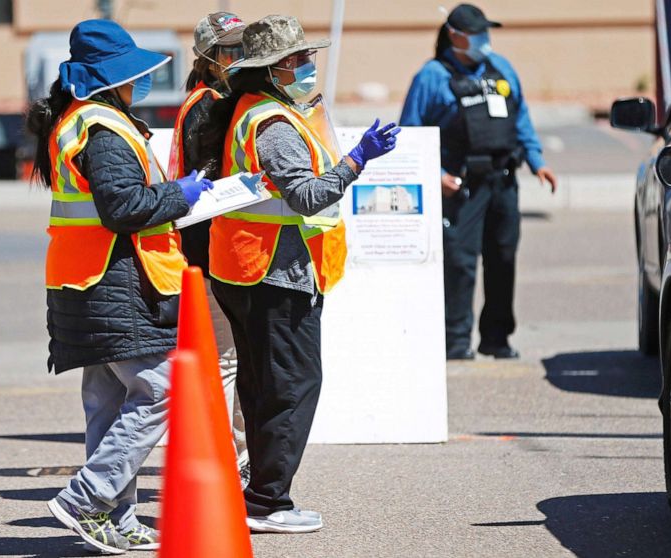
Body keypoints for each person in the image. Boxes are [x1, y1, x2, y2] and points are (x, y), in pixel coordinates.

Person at [201, 15, 399, 533]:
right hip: (274, 272)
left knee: (263, 383)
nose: (309, 66)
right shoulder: (272, 123)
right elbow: (308, 195)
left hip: (246, 267)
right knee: (291, 384)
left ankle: (260, 492)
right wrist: (356, 161)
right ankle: (268, 501)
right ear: (273, 70)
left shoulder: (249, 109)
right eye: (298, 60)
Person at [25, 19, 212, 554]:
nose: (141, 83)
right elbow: (125, 208)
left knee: (107, 404)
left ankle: (116, 518)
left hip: (82, 280)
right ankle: (89, 497)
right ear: (115, 79)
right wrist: (182, 194)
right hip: (116, 280)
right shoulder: (104, 128)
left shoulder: (78, 119)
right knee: (160, 389)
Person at [400, 3, 558, 360]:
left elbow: (522, 120)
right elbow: (410, 133)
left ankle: (497, 338)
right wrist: (435, 176)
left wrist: (537, 161)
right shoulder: (431, 77)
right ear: (454, 36)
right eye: (476, 33)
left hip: (503, 180)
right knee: (460, 262)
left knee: (502, 258)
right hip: (461, 185)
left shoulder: (501, 69)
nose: (484, 40)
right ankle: (455, 341)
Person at [168, 10, 250, 485]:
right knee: (225, 360)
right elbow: (210, 181)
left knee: (231, 357)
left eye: (243, 46)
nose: (238, 55)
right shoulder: (208, 104)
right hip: (205, 247)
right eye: (229, 49)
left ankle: (231, 454)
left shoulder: (214, 99)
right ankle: (227, 458)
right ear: (208, 57)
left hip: (209, 245)